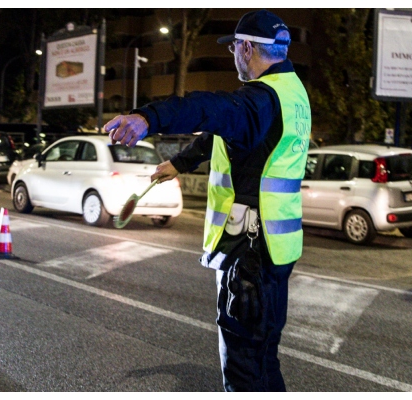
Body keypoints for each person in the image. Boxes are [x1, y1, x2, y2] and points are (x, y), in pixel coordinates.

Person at [105, 9, 310, 391]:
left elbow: (207, 109)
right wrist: (180, 163)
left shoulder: (258, 102)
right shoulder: (292, 94)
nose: (233, 54)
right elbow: (220, 131)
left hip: (247, 252)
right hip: (277, 251)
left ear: (247, 48)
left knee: (244, 370)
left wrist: (147, 118)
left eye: (234, 46)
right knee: (265, 359)